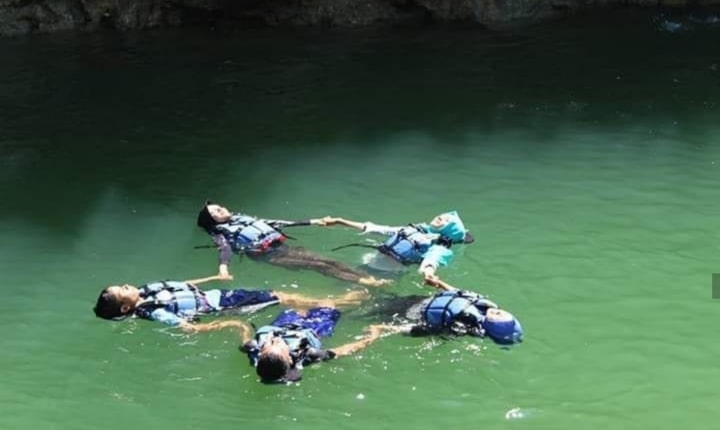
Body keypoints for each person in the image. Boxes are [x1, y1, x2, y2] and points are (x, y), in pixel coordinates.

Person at [196, 201, 390, 287]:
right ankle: (367, 282)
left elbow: (278, 223)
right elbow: (225, 248)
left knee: (329, 261)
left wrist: (315, 221)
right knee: (319, 266)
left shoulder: (242, 219)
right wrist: (223, 268)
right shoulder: (220, 233)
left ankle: (366, 278)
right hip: (269, 256)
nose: (221, 209)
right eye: (216, 212)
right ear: (214, 222)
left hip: (283, 248)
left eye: (219, 207)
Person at [93, 274, 368, 333]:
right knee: (279, 295)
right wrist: (230, 324)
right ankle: (342, 302)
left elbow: (183, 286)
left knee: (277, 293)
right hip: (221, 306)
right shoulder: (152, 312)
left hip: (218, 295)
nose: (128, 285)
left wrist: (216, 276)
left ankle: (331, 305)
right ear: (126, 308)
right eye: (123, 290)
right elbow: (188, 328)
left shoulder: (146, 291)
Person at [238, 306, 401, 383]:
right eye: (277, 344)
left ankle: (303, 308)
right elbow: (345, 350)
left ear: (261, 352)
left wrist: (235, 325)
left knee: (296, 307)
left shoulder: (253, 348)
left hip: (283, 324)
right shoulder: (309, 355)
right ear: (289, 359)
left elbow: (243, 330)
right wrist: (373, 335)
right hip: (315, 328)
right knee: (328, 305)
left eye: (270, 343)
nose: (276, 339)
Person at [320, 210, 474, 282]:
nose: (442, 218)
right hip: (368, 264)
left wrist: (428, 273)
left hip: (385, 276)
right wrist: (340, 221)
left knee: (346, 290)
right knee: (331, 272)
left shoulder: (438, 247)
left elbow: (432, 260)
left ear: (449, 231)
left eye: (447, 221)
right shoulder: (413, 230)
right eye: (443, 216)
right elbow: (377, 228)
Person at [365, 277, 523, 345]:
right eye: (502, 312)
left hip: (409, 314)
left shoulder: (463, 326)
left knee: (365, 312)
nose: (497, 312)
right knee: (373, 299)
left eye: (499, 317)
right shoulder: (486, 306)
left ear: (493, 327)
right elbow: (461, 294)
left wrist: (384, 328)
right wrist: (438, 283)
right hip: (419, 300)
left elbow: (422, 330)